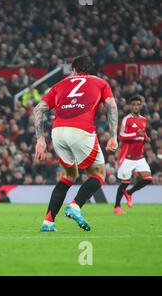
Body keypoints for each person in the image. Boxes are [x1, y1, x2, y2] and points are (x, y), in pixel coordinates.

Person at [33, 55, 118, 232]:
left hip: (58, 132)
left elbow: (38, 109)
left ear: (74, 70)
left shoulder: (60, 84)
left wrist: (40, 138)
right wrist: (113, 135)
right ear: (90, 70)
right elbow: (111, 105)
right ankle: (75, 206)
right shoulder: (100, 82)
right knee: (99, 174)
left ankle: (48, 222)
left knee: (68, 176)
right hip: (81, 130)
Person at [114, 95, 152, 214]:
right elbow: (121, 136)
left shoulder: (144, 120)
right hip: (127, 157)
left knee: (148, 178)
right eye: (134, 104)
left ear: (140, 106)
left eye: (138, 104)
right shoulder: (127, 120)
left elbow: (142, 133)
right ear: (130, 106)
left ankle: (130, 193)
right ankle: (117, 207)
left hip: (140, 156)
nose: (136, 106)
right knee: (125, 183)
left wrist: (146, 137)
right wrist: (136, 133)